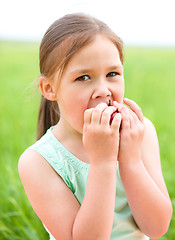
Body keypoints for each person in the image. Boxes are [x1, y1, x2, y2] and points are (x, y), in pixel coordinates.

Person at [18, 13, 172, 240]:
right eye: (83, 77)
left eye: (112, 74)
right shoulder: (38, 161)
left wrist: (131, 159)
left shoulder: (140, 132)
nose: (103, 89)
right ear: (49, 88)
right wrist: (102, 162)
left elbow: (157, 227)